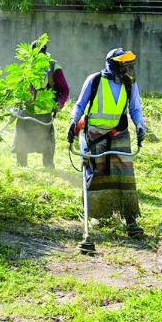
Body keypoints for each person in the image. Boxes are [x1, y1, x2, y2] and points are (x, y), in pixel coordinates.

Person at [68, 48, 148, 238]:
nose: (127, 68)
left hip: (119, 134)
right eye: (123, 64)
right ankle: (97, 215)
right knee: (98, 174)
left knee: (125, 177)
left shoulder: (130, 84)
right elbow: (80, 105)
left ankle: (130, 220)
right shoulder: (95, 80)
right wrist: (73, 121)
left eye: (128, 64)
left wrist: (140, 125)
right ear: (113, 64)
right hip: (95, 135)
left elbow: (135, 109)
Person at [14, 37, 70, 169]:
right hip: (26, 109)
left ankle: (48, 166)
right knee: (21, 137)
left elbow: (65, 90)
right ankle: (22, 167)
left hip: (45, 111)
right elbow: (19, 86)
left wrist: (59, 104)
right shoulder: (27, 65)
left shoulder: (53, 66)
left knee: (47, 142)